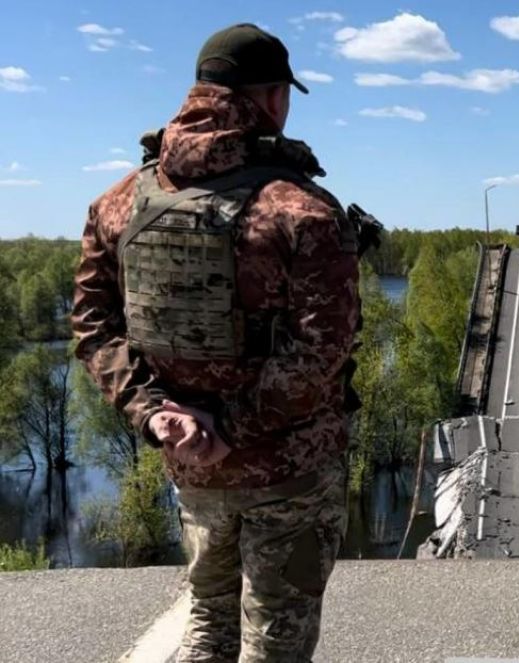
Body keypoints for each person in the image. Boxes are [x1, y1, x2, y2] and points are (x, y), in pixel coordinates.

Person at [72, 23, 367, 662]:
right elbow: (322, 349)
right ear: (271, 99)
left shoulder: (118, 203)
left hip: (192, 467)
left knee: (208, 624)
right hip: (289, 471)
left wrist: (157, 414)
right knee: (277, 643)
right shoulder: (303, 210)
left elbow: (94, 327)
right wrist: (232, 425)